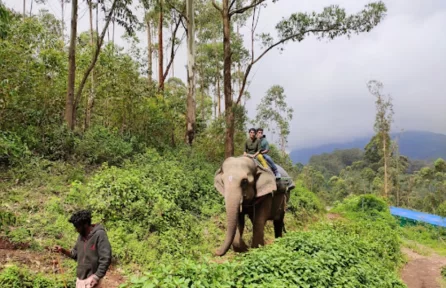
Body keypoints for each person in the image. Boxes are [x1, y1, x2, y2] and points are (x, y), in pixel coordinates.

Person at [54, 210, 112, 288]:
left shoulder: (99, 234)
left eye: (77, 227)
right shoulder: (81, 236)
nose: (76, 230)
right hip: (80, 279)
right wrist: (63, 250)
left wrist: (96, 277)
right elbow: (75, 254)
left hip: (92, 279)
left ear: (85, 224)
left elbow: (106, 258)